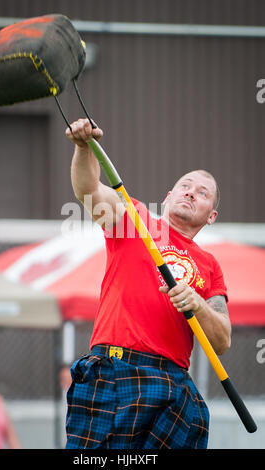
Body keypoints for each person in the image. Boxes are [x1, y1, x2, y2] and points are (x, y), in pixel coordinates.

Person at [64, 119, 231, 449]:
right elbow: (88, 190)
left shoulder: (210, 265)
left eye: (202, 193)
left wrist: (197, 304)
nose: (190, 193)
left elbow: (222, 340)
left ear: (211, 215)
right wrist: (84, 147)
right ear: (169, 197)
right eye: (185, 186)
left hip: (172, 385)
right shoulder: (133, 218)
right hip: (115, 370)